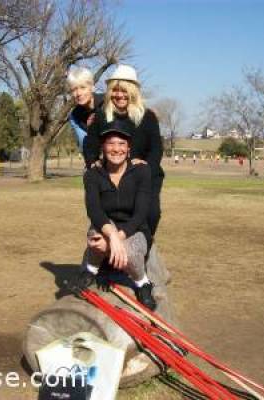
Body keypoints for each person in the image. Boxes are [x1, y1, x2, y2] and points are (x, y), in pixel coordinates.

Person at [78, 118, 156, 310]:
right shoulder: (92, 175)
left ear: (129, 148)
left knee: (129, 252)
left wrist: (117, 239)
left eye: (121, 143)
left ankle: (142, 282)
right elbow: (94, 210)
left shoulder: (142, 171)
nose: (116, 148)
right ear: (103, 147)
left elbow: (140, 214)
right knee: (95, 238)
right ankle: (91, 269)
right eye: (110, 143)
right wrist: (111, 236)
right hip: (105, 225)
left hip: (135, 228)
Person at [84, 64, 164, 236]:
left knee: (151, 214)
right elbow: (89, 145)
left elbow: (156, 148)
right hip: (112, 175)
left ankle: (145, 251)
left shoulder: (148, 117)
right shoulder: (100, 116)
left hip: (144, 175)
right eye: (115, 90)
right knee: (107, 215)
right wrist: (92, 163)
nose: (119, 95)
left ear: (133, 92)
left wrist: (146, 165)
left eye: (124, 90)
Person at [67, 67, 104, 154]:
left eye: (83, 87)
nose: (78, 93)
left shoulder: (107, 103)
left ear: (92, 87)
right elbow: (84, 144)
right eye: (74, 89)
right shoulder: (75, 116)